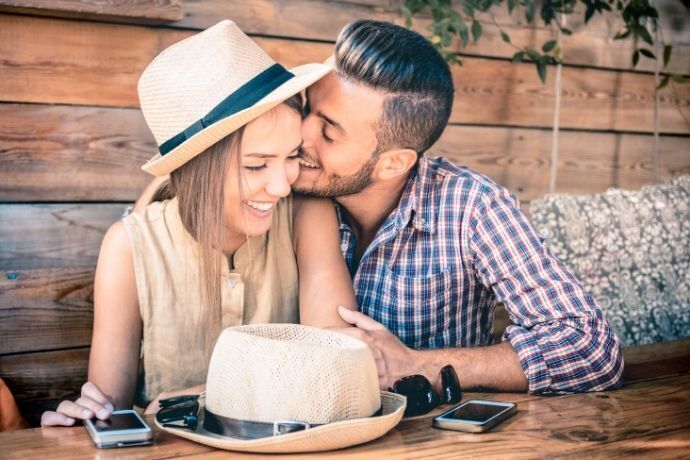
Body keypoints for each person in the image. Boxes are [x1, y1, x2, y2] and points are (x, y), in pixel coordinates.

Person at [40, 20, 356, 427]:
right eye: (256, 165)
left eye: (292, 155)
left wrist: (194, 398)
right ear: (198, 170)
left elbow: (338, 361)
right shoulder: (129, 246)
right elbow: (110, 413)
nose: (281, 186)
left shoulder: (307, 217)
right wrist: (86, 419)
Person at [294, 19, 624, 394]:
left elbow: (593, 350)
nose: (300, 135)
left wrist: (419, 366)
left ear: (394, 163)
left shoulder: (474, 208)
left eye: (328, 133)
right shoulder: (277, 183)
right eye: (306, 110)